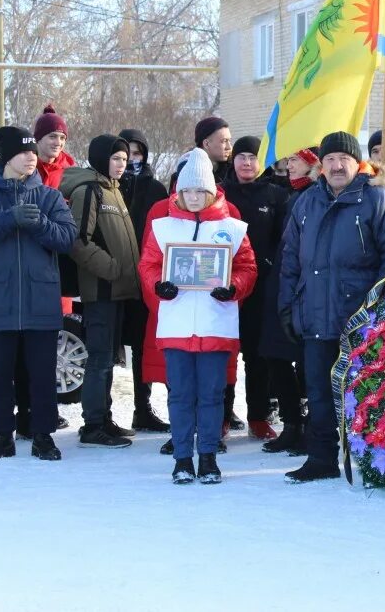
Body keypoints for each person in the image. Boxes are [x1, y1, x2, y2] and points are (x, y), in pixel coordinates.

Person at [279, 131, 385, 483]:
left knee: (370, 392)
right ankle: (321, 457)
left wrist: (380, 309)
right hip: (315, 316)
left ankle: (374, 460)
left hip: (361, 320)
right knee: (319, 392)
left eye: (344, 159)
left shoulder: (380, 199)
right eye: (330, 160)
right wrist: (288, 306)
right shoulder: (306, 202)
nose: (337, 165)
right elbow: (291, 259)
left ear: (358, 163)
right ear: (320, 165)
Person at [0, 126, 77, 461]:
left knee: (42, 373)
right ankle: (0, 435)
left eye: (31, 151)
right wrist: (6, 220)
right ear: (8, 157)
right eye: (24, 152)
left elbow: (67, 240)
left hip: (40, 300)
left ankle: (42, 435)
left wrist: (39, 223)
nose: (31, 157)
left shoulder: (49, 196)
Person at [139, 148, 256, 484]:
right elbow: (147, 265)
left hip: (215, 324)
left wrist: (233, 287)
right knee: (179, 394)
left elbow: (247, 267)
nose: (192, 198)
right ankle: (181, 459)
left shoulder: (232, 228)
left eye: (199, 191)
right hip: (177, 324)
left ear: (211, 191)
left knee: (212, 393)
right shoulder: (164, 227)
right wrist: (158, 286)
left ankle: (207, 456)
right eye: (186, 191)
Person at [61, 134, 141, 448]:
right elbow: (78, 241)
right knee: (98, 359)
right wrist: (111, 269)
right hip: (102, 290)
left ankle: (104, 418)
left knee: (108, 358)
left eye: (125, 159)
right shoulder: (89, 190)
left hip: (118, 290)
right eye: (116, 158)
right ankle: (93, 425)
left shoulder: (113, 189)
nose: (122, 164)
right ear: (100, 158)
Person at [221, 135, 290, 440]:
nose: (247, 163)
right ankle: (221, 416)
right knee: (223, 354)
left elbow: (283, 240)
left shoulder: (275, 195)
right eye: (242, 157)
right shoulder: (220, 194)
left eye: (253, 157)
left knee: (257, 355)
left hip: (261, 287)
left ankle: (258, 417)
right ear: (233, 160)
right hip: (223, 287)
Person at [260, 148, 321, 455]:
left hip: (306, 288)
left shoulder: (317, 196)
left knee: (309, 362)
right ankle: (292, 424)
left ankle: (311, 428)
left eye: (296, 160)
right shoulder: (288, 195)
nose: (289, 165)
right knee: (277, 356)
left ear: (313, 165)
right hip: (281, 285)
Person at [116, 128, 171, 433]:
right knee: (113, 347)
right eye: (128, 153)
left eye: (138, 153)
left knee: (144, 346)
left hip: (148, 278)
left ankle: (143, 406)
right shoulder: (112, 185)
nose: (133, 159)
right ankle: (103, 414)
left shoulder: (155, 188)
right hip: (117, 274)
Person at [33, 105, 76, 190]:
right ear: (38, 139)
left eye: (62, 138)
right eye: (52, 137)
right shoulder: (25, 167)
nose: (58, 143)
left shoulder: (70, 173)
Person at [194, 116, 233, 184]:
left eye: (229, 140)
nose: (229, 147)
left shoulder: (235, 172)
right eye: (224, 141)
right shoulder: (186, 176)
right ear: (206, 144)